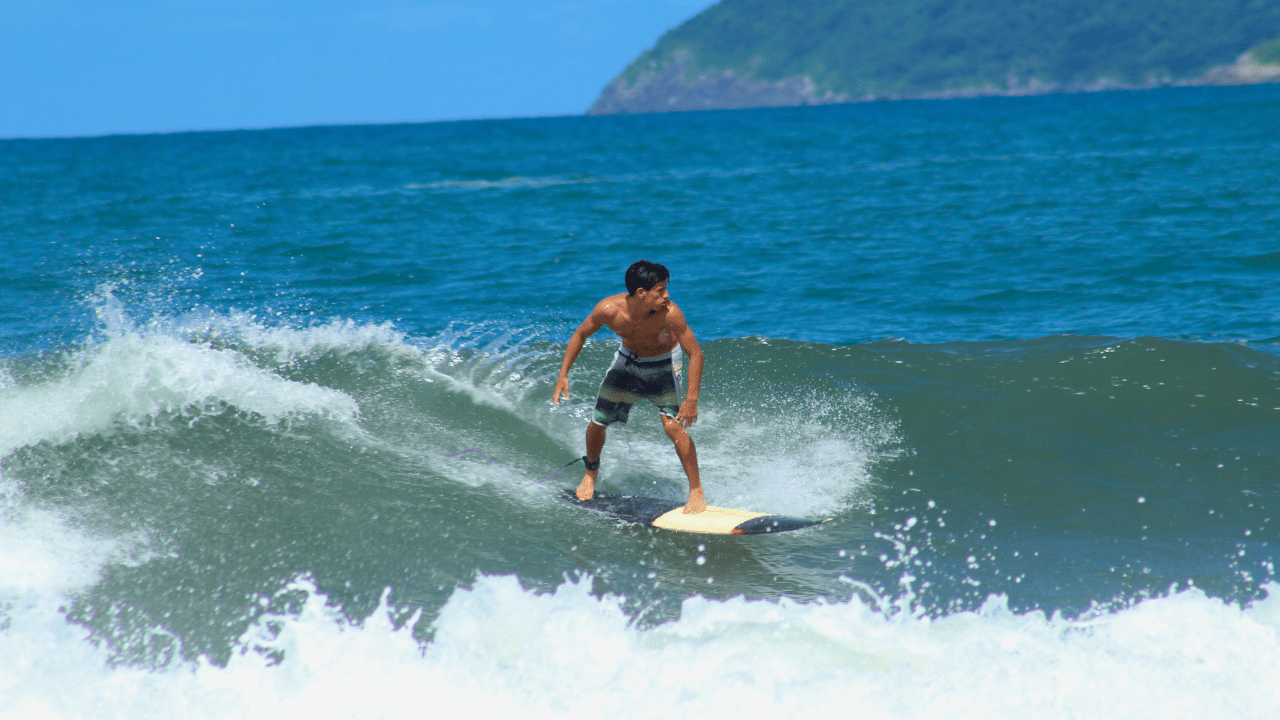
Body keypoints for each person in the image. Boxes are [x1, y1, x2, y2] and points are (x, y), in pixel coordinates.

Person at [552, 260, 706, 514]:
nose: (667, 295)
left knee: (672, 426)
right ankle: (590, 474)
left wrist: (691, 399)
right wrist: (563, 374)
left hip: (665, 364)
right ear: (641, 293)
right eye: (660, 291)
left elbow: (696, 353)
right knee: (597, 424)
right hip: (628, 362)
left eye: (666, 289)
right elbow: (581, 334)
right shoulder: (608, 310)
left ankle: (696, 490)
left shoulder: (670, 313)